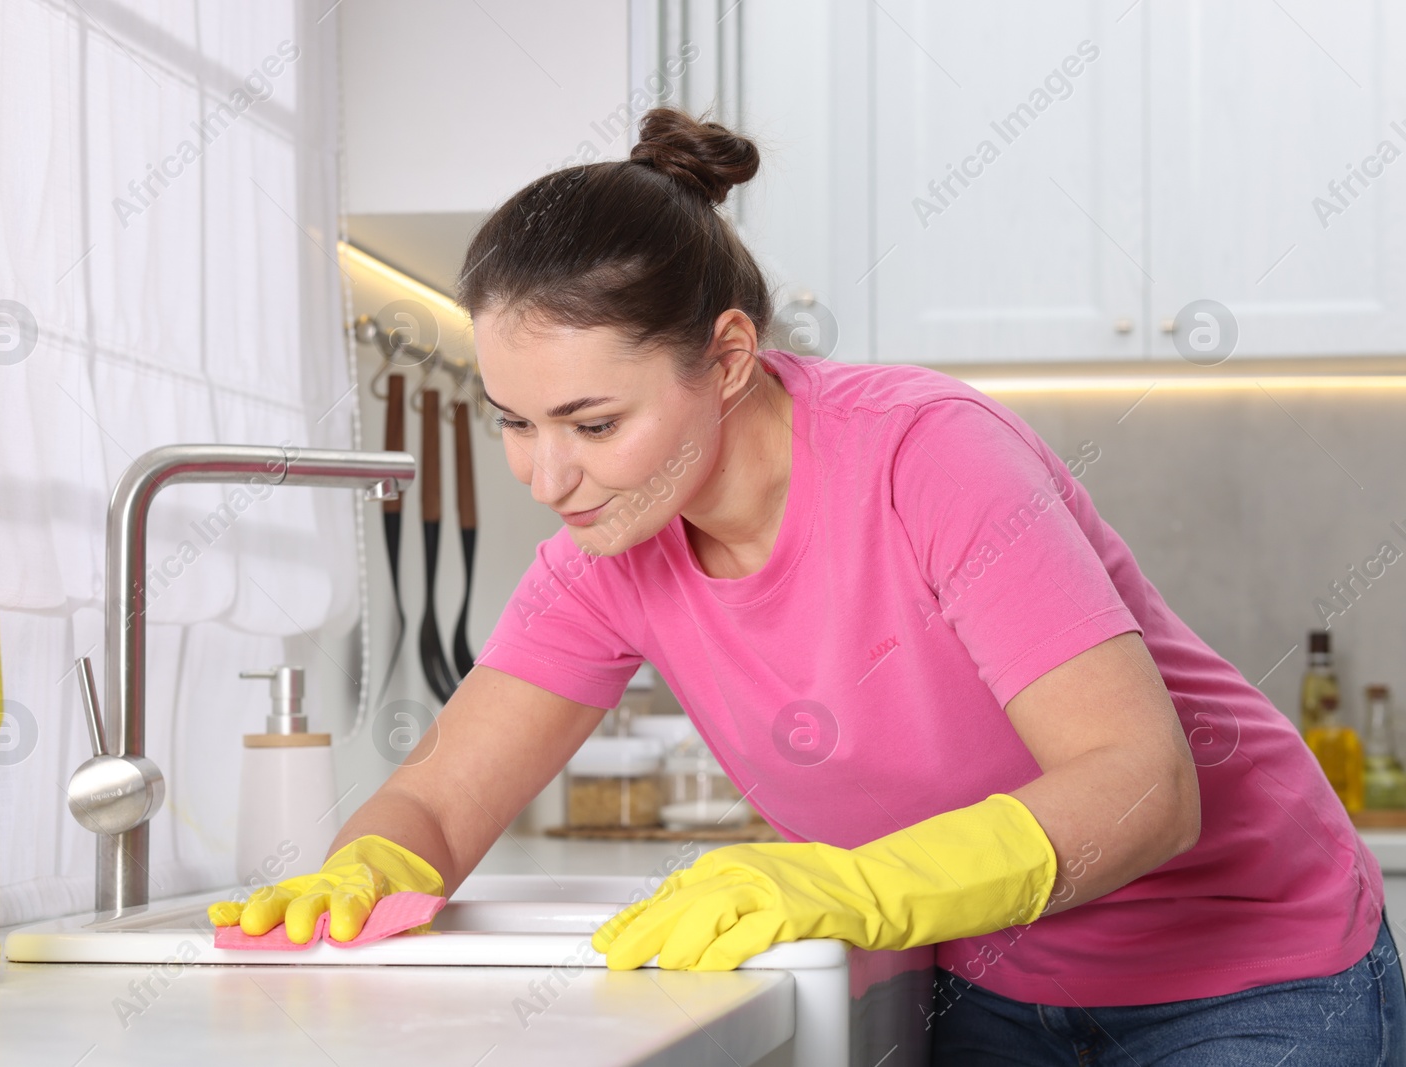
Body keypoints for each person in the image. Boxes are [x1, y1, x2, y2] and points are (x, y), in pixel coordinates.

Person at [209, 108, 1402, 1064]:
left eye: (592, 420)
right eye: (513, 421)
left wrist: (857, 883)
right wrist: (366, 868)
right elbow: (439, 801)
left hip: (1244, 973)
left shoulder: (923, 453)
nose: (546, 475)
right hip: (982, 985)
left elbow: (1145, 788)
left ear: (726, 358)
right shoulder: (605, 550)